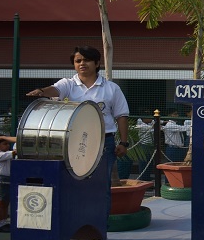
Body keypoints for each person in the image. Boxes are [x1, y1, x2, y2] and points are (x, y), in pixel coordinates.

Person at [28, 45, 130, 175]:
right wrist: (42, 91)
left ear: (97, 63)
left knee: (101, 179)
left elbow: (121, 116)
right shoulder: (67, 84)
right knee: (73, 178)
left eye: (86, 60)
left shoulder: (112, 88)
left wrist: (123, 143)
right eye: (78, 61)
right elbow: (55, 89)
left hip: (104, 141)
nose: (82, 63)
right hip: (72, 140)